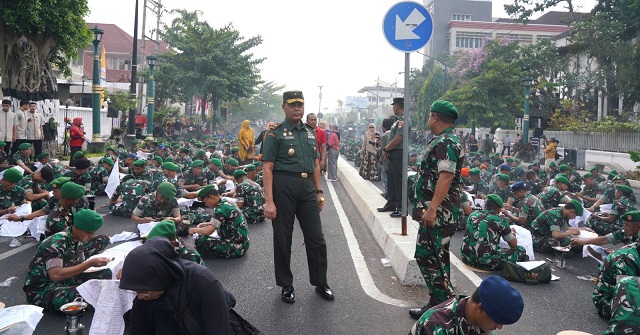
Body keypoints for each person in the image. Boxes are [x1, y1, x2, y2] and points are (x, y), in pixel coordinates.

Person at [261, 90, 333, 303]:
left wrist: (319, 191)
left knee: (317, 238)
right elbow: (267, 167)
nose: (296, 109)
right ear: (283, 107)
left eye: (299, 105)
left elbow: (315, 165)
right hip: (283, 186)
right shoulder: (275, 134)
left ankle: (321, 282)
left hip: (307, 188)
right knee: (283, 238)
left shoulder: (310, 133)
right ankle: (286, 284)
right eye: (291, 105)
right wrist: (269, 201)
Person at [410, 100, 464, 320]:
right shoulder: (445, 141)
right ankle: (437, 304)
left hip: (440, 213)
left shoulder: (446, 142)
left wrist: (432, 209)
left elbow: (446, 176)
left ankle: (447, 312)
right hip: (441, 211)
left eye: (429, 116)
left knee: (427, 257)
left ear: (434, 116)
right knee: (437, 258)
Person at [119, 237, 232, 335]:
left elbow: (219, 330)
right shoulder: (146, 294)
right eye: (136, 292)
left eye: (143, 291)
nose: (140, 297)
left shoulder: (204, 283)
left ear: (160, 276)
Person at [23, 209, 111, 311]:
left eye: (93, 232)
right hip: (43, 290)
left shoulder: (79, 239)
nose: (91, 236)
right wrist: (89, 263)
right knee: (87, 295)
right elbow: (55, 275)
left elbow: (77, 264)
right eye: (88, 232)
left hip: (66, 280)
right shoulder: (55, 243)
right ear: (76, 228)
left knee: (106, 274)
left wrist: (92, 265)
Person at [410, 276, 524, 335]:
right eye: (497, 321)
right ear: (480, 308)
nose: (499, 327)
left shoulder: (475, 314)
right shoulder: (437, 327)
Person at [460, 194, 528, 271]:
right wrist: (512, 233)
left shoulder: (473, 215)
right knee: (520, 250)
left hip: (466, 257)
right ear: (499, 209)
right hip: (485, 263)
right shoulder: (499, 221)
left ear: (485, 205)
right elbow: (514, 244)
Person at [189, 185, 250, 258]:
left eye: (205, 202)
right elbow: (224, 220)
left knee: (200, 239)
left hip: (237, 247)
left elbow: (208, 231)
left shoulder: (221, 208)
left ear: (211, 197)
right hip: (243, 242)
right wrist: (207, 224)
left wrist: (194, 230)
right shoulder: (226, 201)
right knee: (204, 234)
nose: (206, 205)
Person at [379, 97, 407, 217]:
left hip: (398, 153)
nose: (393, 108)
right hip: (393, 153)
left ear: (397, 106)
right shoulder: (397, 120)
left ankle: (401, 207)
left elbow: (398, 139)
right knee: (391, 179)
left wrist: (386, 148)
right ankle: (391, 203)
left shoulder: (403, 121)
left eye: (394, 106)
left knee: (398, 181)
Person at [378, 118, 394, 197]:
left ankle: (386, 193)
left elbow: (382, 149)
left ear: (384, 127)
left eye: (382, 126)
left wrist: (376, 149)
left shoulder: (385, 136)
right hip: (392, 160)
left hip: (385, 160)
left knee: (385, 177)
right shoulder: (393, 134)